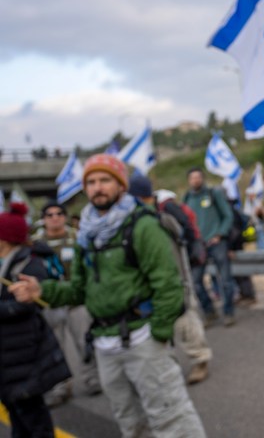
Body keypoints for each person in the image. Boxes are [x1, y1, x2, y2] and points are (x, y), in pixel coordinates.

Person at [9, 154, 206, 437]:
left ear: (121, 185)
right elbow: (78, 289)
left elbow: (168, 284)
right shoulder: (86, 234)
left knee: (171, 418)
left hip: (143, 338)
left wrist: (158, 333)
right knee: (128, 421)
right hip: (105, 344)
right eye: (90, 182)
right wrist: (43, 291)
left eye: (104, 180)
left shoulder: (142, 225)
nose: (97, 187)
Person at [128, 174, 213, 385]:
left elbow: (182, 236)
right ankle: (170, 365)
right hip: (151, 281)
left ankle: (200, 360)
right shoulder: (130, 219)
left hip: (177, 277)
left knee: (186, 320)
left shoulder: (164, 211)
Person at [1, 203, 71, 438]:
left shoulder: (27, 264)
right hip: (8, 357)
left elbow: (26, 305)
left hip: (23, 353)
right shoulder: (5, 264)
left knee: (35, 419)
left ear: (5, 239)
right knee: (18, 418)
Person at [31, 201, 102, 406]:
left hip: (75, 301)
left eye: (59, 213)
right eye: (50, 214)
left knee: (85, 341)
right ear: (43, 219)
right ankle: (60, 387)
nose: (55, 217)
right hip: (49, 302)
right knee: (55, 347)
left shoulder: (76, 238)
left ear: (65, 216)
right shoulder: (35, 244)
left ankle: (92, 379)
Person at [183, 167, 235, 327]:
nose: (195, 180)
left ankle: (228, 313)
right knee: (196, 282)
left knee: (225, 280)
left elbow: (228, 215)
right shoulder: (187, 198)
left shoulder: (214, 194)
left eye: (198, 177)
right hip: (199, 246)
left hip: (217, 243)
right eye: (192, 178)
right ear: (189, 180)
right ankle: (209, 311)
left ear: (202, 178)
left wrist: (220, 234)